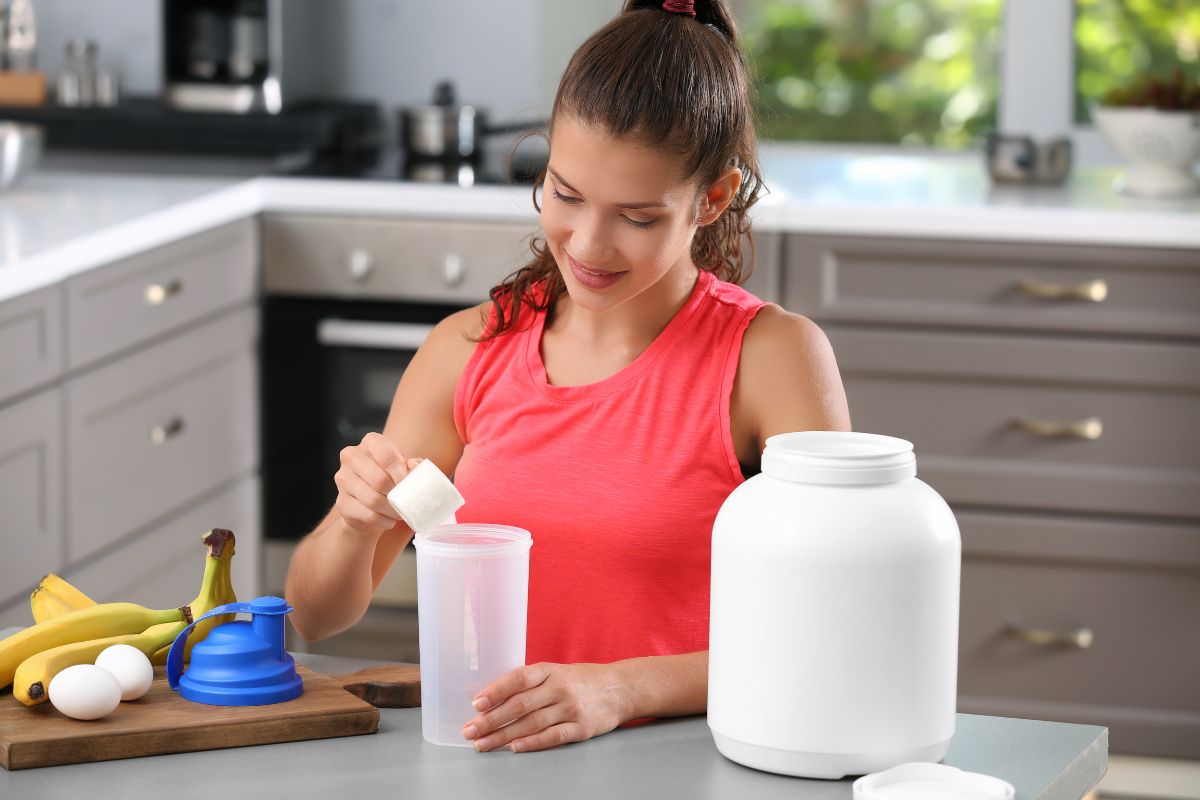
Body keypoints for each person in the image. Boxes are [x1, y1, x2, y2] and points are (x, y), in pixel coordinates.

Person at [285, 0, 850, 755]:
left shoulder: (771, 359)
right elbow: (316, 619)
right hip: (497, 764)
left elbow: (831, 629)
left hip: (694, 766)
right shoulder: (467, 349)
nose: (587, 243)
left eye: (637, 217)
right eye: (566, 193)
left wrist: (616, 688)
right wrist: (356, 523)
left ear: (711, 199)